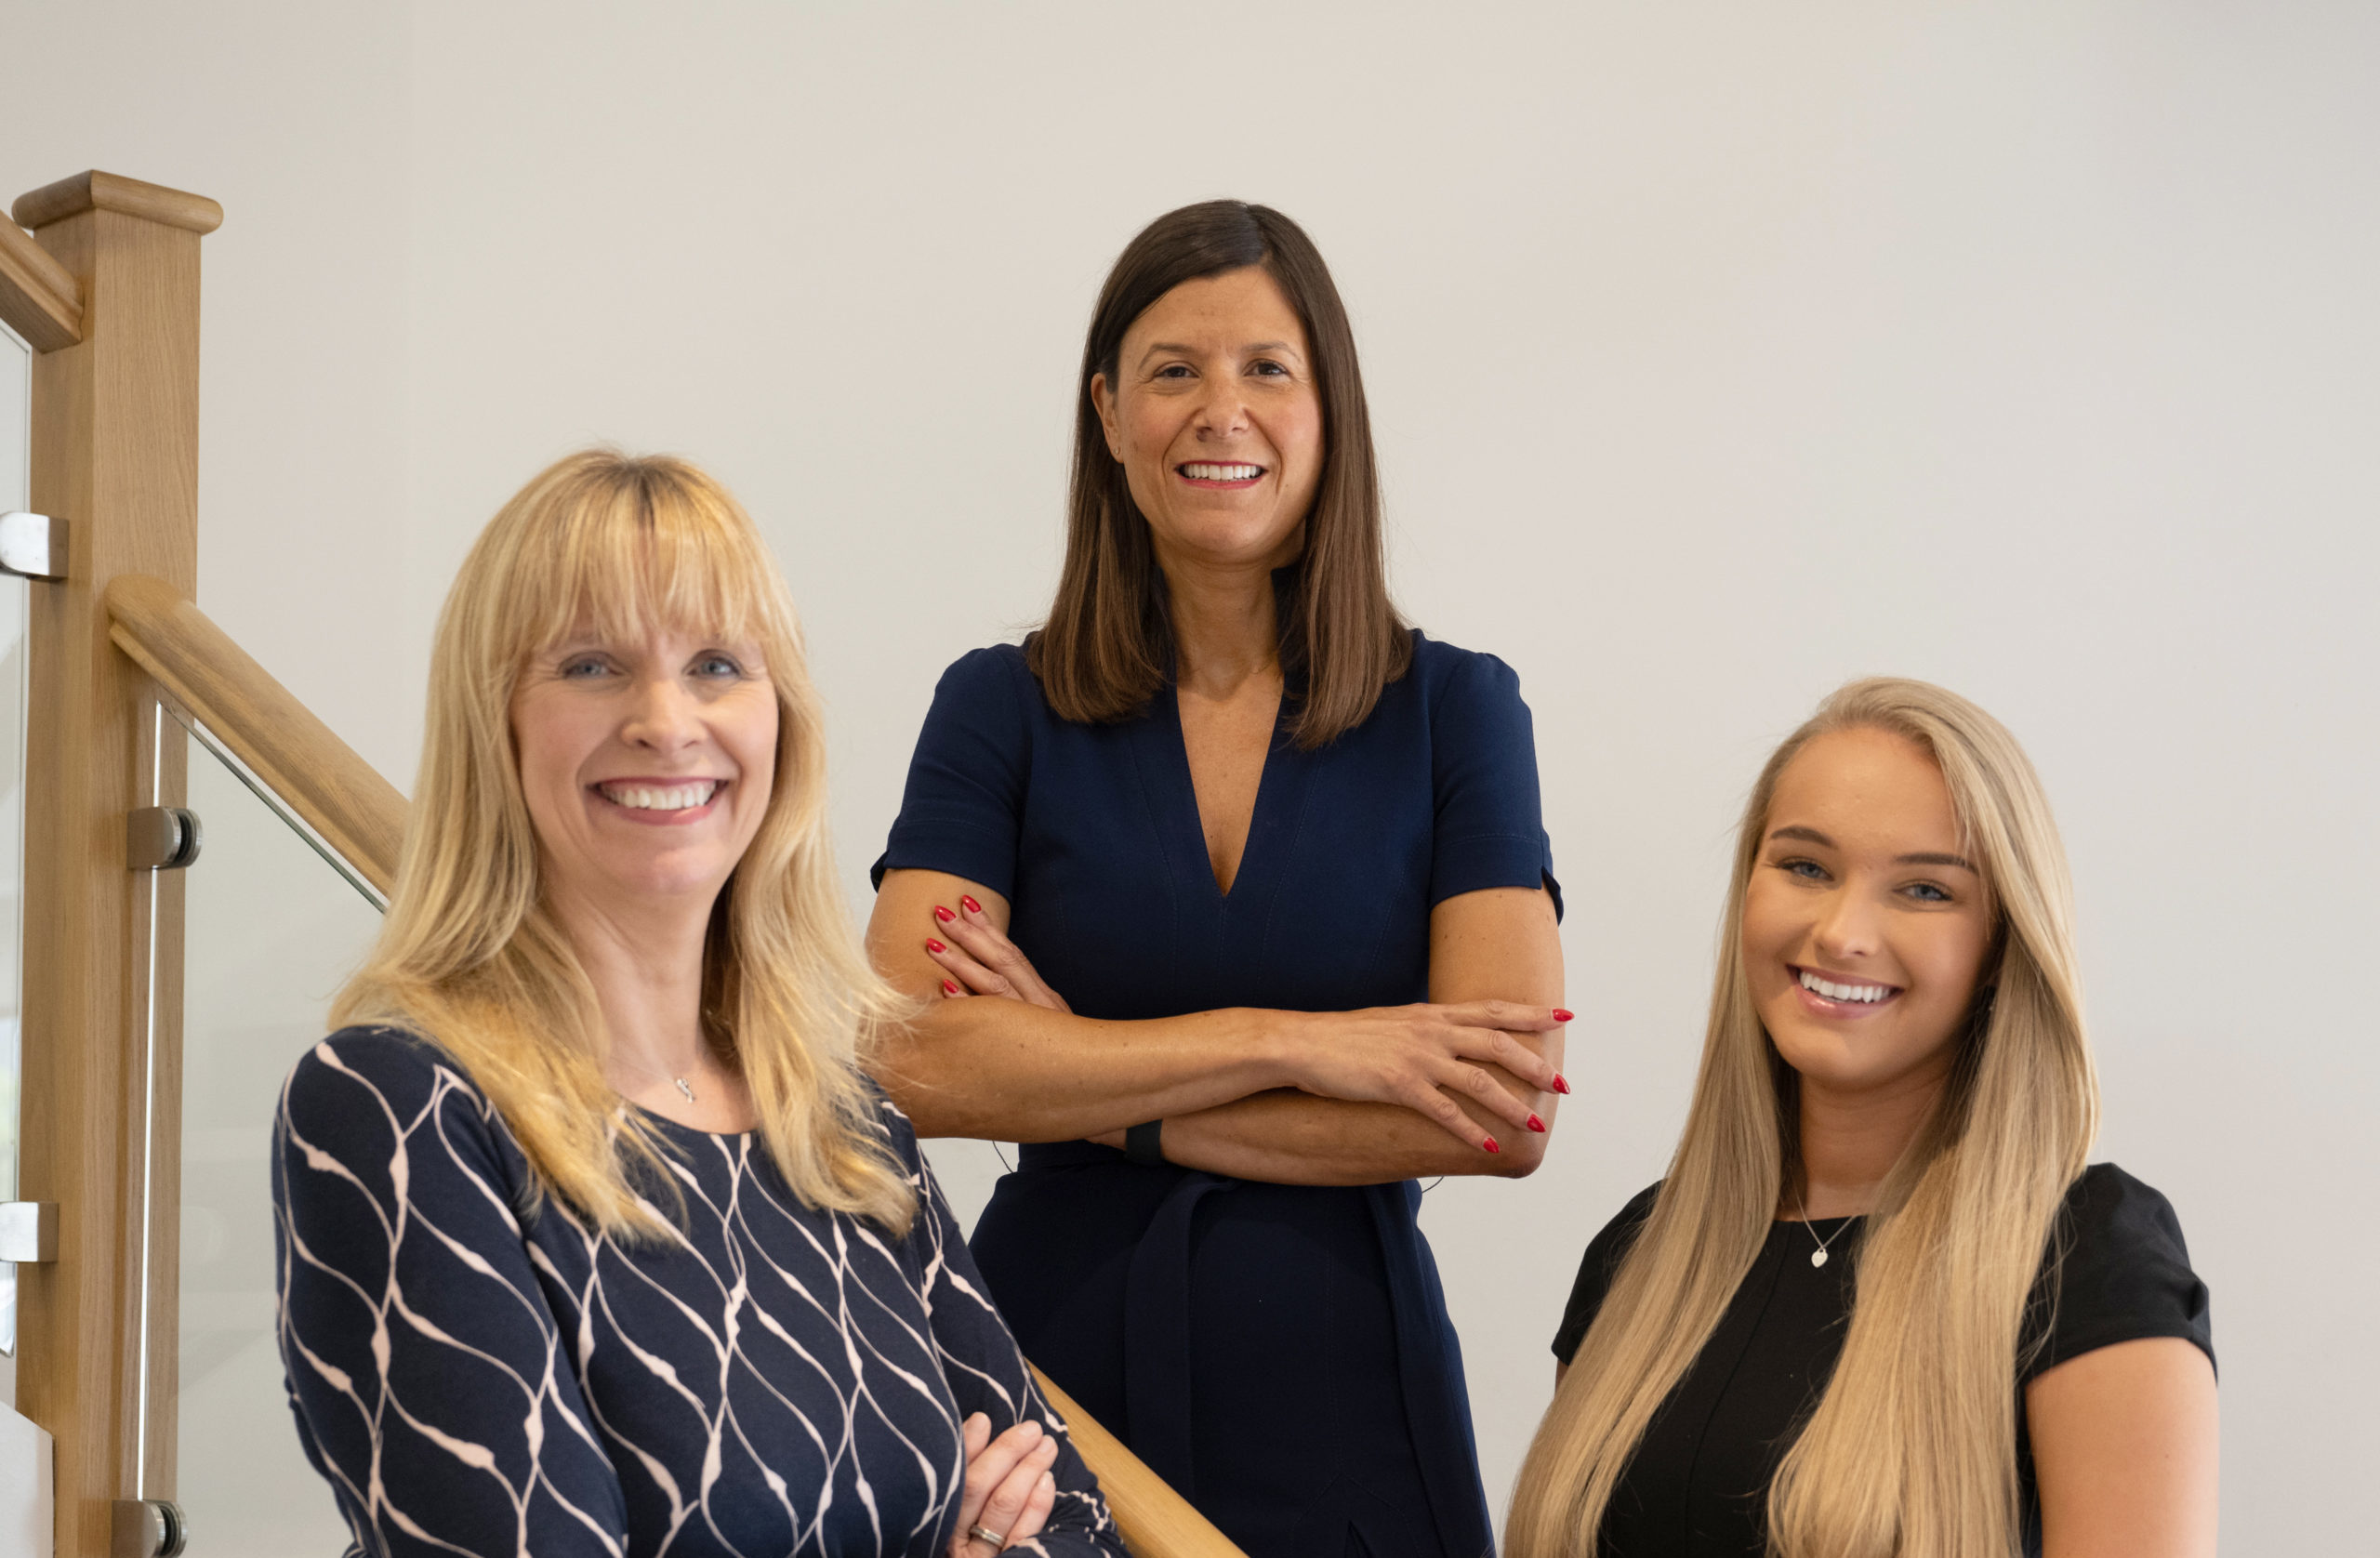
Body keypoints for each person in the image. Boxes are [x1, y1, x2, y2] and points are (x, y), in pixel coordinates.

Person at [865, 200, 1567, 1558]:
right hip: (1043, 1373)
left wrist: (1088, 1084)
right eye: (1174, 369)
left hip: (1349, 1378)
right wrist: (1299, 1045)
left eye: (1266, 369)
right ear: (1110, 411)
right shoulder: (997, 708)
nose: (1218, 411)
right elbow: (904, 1063)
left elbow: (1503, 1108)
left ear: (1329, 411)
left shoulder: (1459, 714)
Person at [273, 451, 1125, 1558]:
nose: (666, 720)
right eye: (591, 665)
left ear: (781, 722)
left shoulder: (835, 1112)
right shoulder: (397, 1105)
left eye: (718, 663)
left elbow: (1077, 1520)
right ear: (498, 727)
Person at [1505, 678, 2217, 1558]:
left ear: (2001, 944)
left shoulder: (2085, 1257)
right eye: (1806, 866)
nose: (1843, 932)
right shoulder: (1641, 1256)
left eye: (1924, 890)